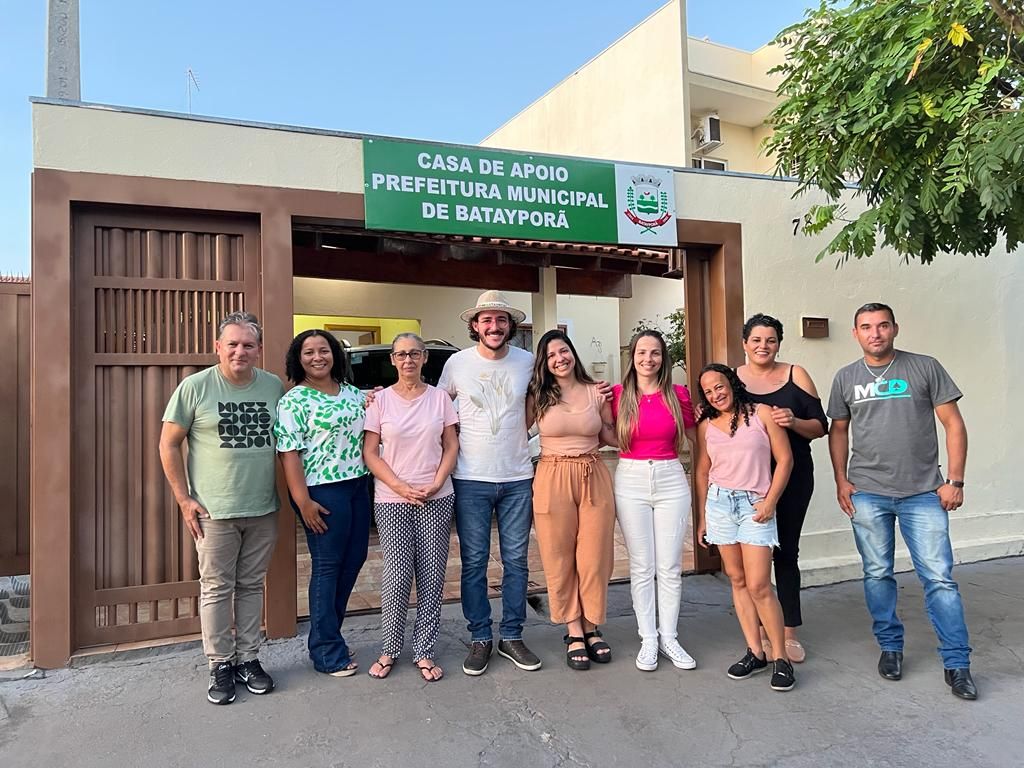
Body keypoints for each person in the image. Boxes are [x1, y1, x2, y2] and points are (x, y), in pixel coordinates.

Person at [827, 302, 976, 700]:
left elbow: (953, 423)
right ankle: (890, 648)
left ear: (895, 329)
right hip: (868, 492)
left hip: (923, 493)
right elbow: (837, 431)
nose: (874, 333)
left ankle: (957, 663)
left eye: (882, 326)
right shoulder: (845, 378)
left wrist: (955, 480)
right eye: (865, 327)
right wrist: (841, 480)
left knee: (940, 580)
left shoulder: (924, 367)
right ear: (856, 334)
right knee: (877, 574)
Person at [159, 311, 285, 705]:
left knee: (250, 586)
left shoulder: (273, 386)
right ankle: (220, 664)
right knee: (216, 588)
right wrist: (184, 499)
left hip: (263, 507)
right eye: (232, 344)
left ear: (259, 349)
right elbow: (168, 445)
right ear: (218, 347)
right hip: (213, 512)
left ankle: (248, 659)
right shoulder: (195, 387)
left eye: (248, 345)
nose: (240, 351)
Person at [437, 290, 543, 675]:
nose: (494, 327)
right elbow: (436, 407)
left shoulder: (527, 362)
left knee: (516, 562)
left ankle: (512, 635)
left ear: (509, 326)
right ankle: (480, 636)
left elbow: (541, 398)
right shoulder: (456, 363)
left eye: (500, 320)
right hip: (470, 478)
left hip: (517, 477)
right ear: (475, 326)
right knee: (475, 562)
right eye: (486, 320)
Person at [363, 333, 460, 683]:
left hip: (436, 495)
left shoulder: (439, 399)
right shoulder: (380, 401)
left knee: (433, 573)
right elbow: (370, 453)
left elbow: (451, 445)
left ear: (423, 359)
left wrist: (436, 482)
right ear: (392, 360)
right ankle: (390, 647)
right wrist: (400, 487)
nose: (408, 360)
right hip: (392, 499)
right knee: (398, 573)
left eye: (414, 354)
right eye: (401, 354)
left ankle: (424, 649)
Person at [274, 329, 371, 679]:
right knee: (328, 566)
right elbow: (289, 452)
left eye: (324, 350)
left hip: (358, 486)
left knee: (354, 559)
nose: (317, 357)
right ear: (297, 359)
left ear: (335, 355)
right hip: (320, 490)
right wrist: (303, 502)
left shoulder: (352, 394)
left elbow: (379, 409)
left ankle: (330, 636)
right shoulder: (294, 400)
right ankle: (326, 651)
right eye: (309, 352)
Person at [694, 364, 796, 692]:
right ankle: (755, 652)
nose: (716, 394)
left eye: (720, 386)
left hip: (755, 505)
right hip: (720, 505)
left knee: (759, 585)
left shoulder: (761, 413)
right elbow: (702, 472)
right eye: (708, 391)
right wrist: (704, 517)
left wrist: (770, 502)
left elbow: (785, 460)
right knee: (737, 580)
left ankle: (780, 657)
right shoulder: (706, 425)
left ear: (732, 384)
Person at [736, 314, 827, 663]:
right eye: (756, 340)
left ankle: (789, 633)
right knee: (749, 563)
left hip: (793, 476)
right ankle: (758, 628)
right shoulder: (735, 379)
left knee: (786, 553)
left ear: (779, 343)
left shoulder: (796, 374)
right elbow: (718, 416)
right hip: (747, 480)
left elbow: (821, 426)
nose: (763, 346)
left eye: (770, 340)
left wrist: (795, 421)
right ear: (745, 343)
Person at [526, 330, 618, 670]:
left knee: (594, 556)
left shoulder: (597, 391)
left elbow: (609, 435)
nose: (559, 359)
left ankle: (593, 623)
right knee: (558, 554)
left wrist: (636, 415)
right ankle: (574, 628)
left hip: (592, 473)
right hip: (552, 476)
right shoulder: (538, 394)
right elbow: (512, 429)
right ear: (544, 364)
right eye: (551, 356)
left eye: (563, 351)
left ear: (572, 353)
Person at [612, 330, 699, 672]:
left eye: (656, 353)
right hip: (630, 477)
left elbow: (696, 441)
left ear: (664, 358)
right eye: (642, 352)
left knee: (669, 566)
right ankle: (648, 638)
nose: (648, 359)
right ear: (632, 356)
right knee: (642, 565)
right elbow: (601, 430)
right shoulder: (617, 396)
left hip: (670, 478)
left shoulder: (678, 395)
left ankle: (669, 637)